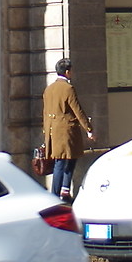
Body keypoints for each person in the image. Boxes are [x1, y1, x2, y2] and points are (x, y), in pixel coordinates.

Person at [41, 59, 93, 202]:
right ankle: (57, 194)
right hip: (66, 131)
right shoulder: (68, 88)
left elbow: (45, 112)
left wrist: (46, 131)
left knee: (63, 160)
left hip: (52, 130)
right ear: (67, 72)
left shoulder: (49, 89)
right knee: (65, 161)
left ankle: (62, 191)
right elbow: (78, 110)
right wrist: (88, 129)